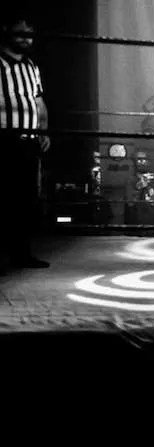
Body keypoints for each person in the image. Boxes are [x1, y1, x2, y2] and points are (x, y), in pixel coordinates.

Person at [0, 9, 50, 271]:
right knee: (3, 198)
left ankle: (22, 254)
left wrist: (43, 131)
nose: (26, 39)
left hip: (29, 141)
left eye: (29, 34)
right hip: (3, 139)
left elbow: (38, 102)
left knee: (26, 200)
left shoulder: (32, 67)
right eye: (20, 33)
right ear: (6, 31)